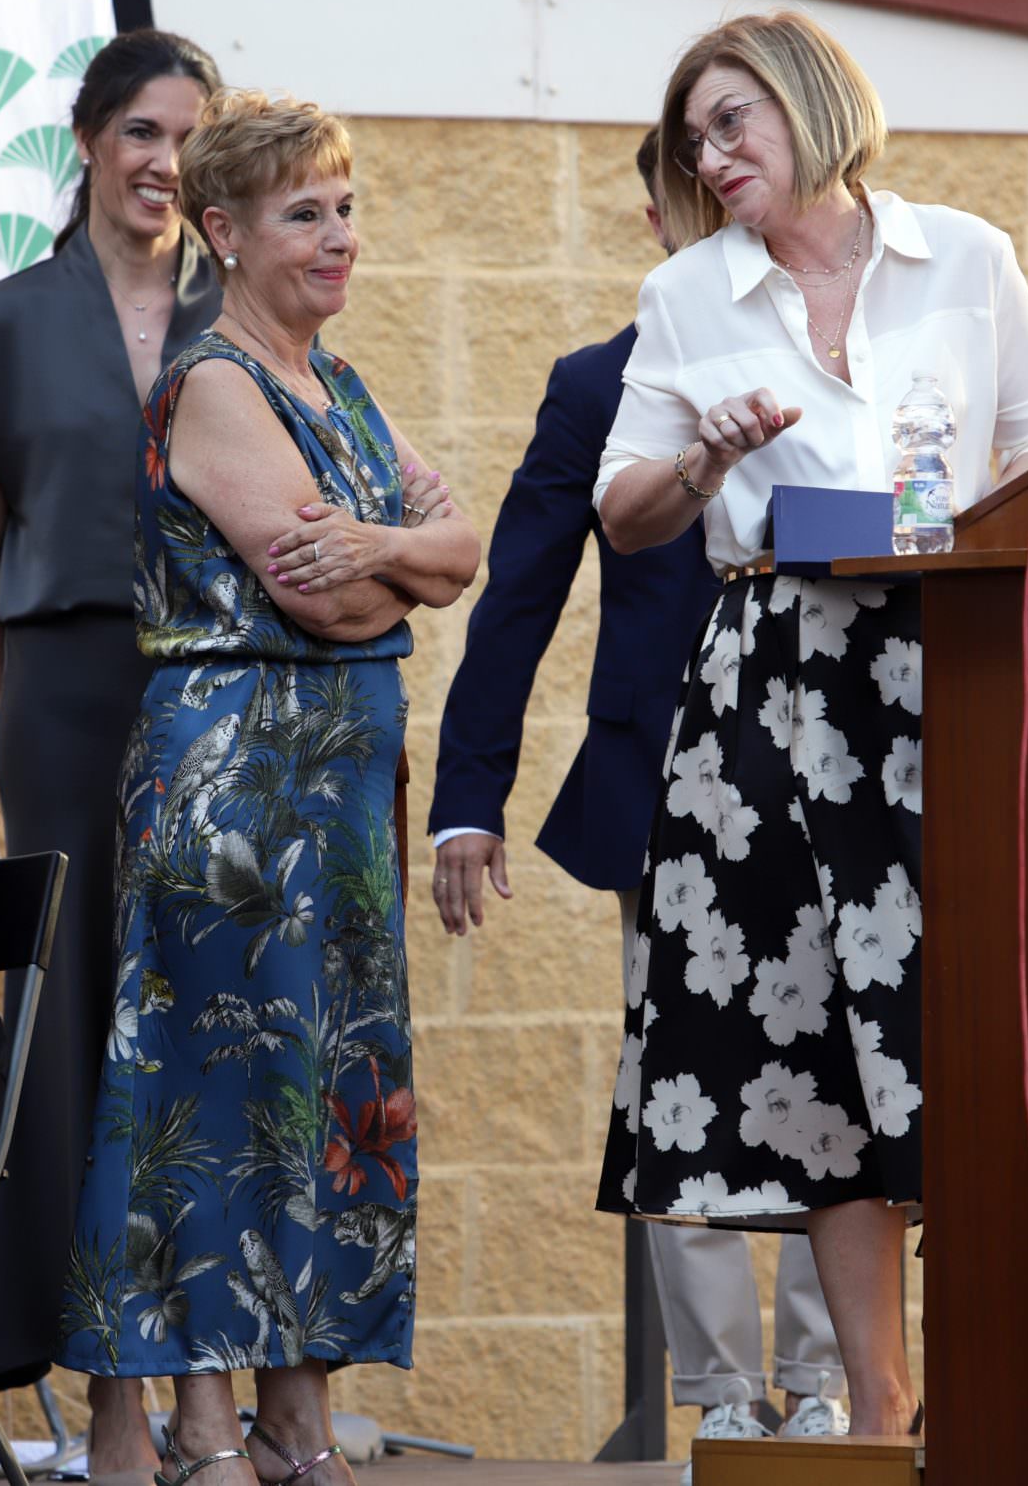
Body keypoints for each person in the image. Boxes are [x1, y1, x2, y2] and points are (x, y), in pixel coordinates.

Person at [592, 11, 1028, 1438]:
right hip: (781, 689)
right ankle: (878, 1408)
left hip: (954, 673)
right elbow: (625, 510)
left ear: (812, 103)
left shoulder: (966, 258)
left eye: (732, 121)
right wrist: (705, 458)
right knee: (817, 1054)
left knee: (968, 1025)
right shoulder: (687, 291)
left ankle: (1001, 1394)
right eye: (694, 139)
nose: (710, 156)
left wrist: (990, 532)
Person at [58, 91, 478, 1486]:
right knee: (219, 1091)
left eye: (345, 208)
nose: (338, 235)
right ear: (224, 233)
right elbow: (335, 604)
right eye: (305, 213)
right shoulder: (218, 382)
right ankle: (199, 1420)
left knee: (325, 1088)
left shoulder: (339, 385)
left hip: (337, 801)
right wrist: (395, 559)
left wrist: (382, 547)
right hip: (234, 788)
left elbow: (460, 546)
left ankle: (296, 1412)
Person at [427, 131, 846, 1446]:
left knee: (847, 1073)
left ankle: (827, 1387)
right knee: (684, 1071)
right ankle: (722, 1400)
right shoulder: (597, 382)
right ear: (658, 224)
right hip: (667, 778)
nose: (714, 212)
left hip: (840, 768)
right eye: (686, 198)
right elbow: (518, 596)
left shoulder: (859, 356)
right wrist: (469, 797)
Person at [0, 29, 223, 1478]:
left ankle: (215, 1388)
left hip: (226, 696)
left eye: (191, 139)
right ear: (89, 136)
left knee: (217, 1027)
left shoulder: (247, 301)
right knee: (74, 1034)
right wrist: (13, 702)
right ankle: (108, 1402)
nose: (165, 163)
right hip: (63, 693)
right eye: (143, 130)